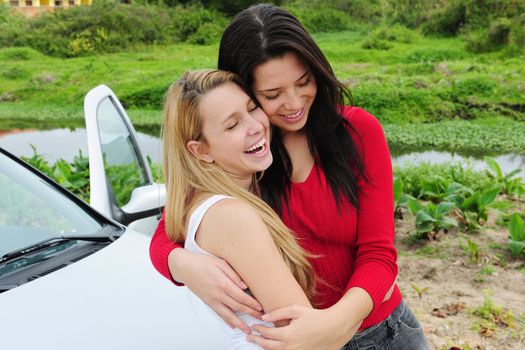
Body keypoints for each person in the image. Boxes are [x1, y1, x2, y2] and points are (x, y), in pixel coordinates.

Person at [151, 4, 430, 349]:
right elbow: (169, 227)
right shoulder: (245, 153)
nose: (294, 102)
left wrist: (334, 324)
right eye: (271, 95)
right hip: (299, 338)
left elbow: (379, 254)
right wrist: (183, 266)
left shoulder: (357, 131)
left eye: (303, 82)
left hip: (381, 333)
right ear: (245, 90)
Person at [162, 69, 325, 349]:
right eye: (232, 125)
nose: (255, 126)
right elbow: (307, 337)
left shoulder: (213, 201)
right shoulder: (231, 216)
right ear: (201, 150)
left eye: (252, 108)